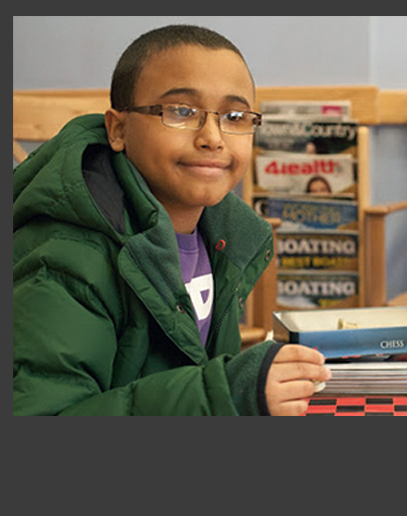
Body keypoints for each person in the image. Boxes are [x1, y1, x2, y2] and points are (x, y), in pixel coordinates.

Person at [13, 24, 331, 415]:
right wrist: (226, 394)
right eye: (181, 111)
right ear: (118, 129)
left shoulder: (223, 238)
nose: (213, 137)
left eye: (234, 116)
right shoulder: (64, 263)